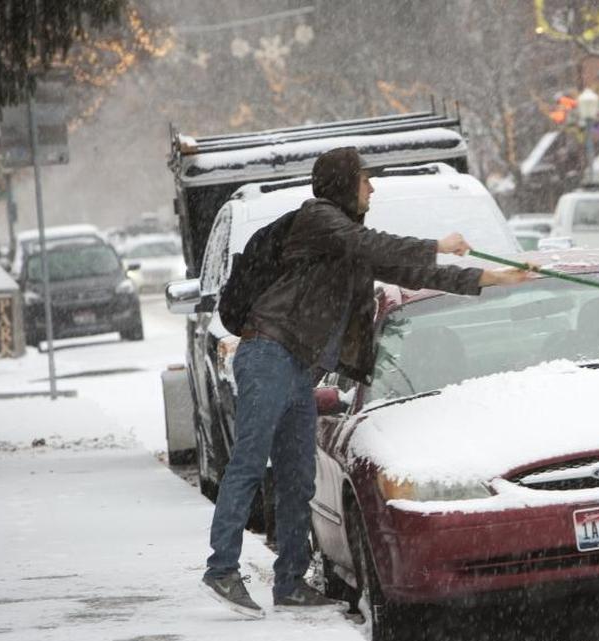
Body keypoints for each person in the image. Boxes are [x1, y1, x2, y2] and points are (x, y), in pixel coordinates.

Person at [201, 146, 532, 618]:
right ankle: (221, 570)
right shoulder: (318, 220)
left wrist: (492, 277)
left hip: (298, 366)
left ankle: (290, 582)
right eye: (364, 179)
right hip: (267, 353)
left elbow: (409, 271)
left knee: (297, 476)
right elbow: (378, 247)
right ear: (341, 183)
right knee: (250, 461)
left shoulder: (345, 241)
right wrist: (439, 242)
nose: (371, 188)